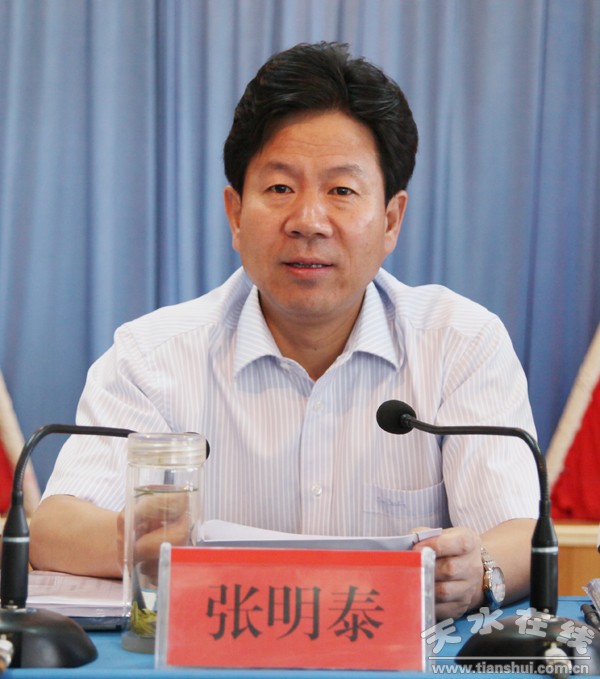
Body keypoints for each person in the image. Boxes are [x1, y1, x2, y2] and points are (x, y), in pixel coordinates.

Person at [30, 41, 539, 621]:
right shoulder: (153, 356)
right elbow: (54, 528)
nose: (308, 221)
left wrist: (477, 573)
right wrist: (135, 537)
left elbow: (520, 529)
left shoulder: (460, 343)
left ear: (391, 220)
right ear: (235, 214)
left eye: (341, 191)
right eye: (279, 188)